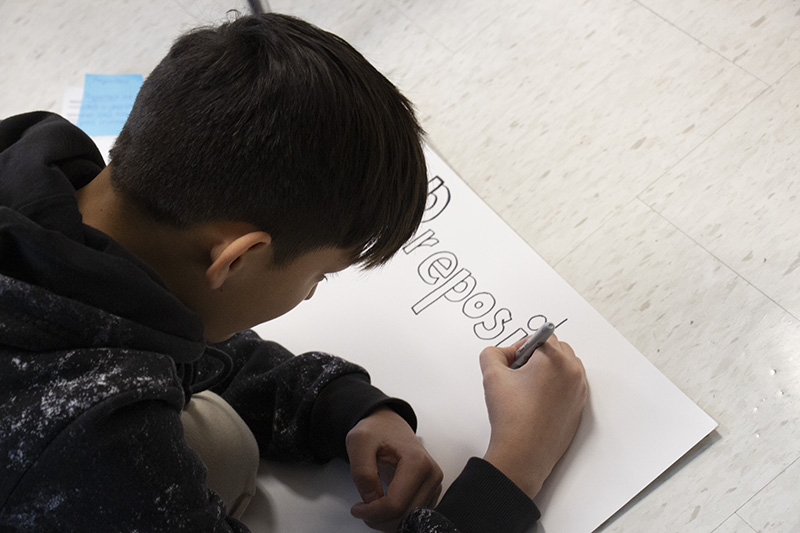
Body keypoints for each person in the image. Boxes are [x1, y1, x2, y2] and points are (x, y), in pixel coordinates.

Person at [0, 12, 587, 533]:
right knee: (223, 454)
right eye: (320, 278)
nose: (311, 297)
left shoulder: (51, 200)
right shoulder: (92, 441)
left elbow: (162, 322)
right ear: (237, 258)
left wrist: (342, 406)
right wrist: (516, 466)